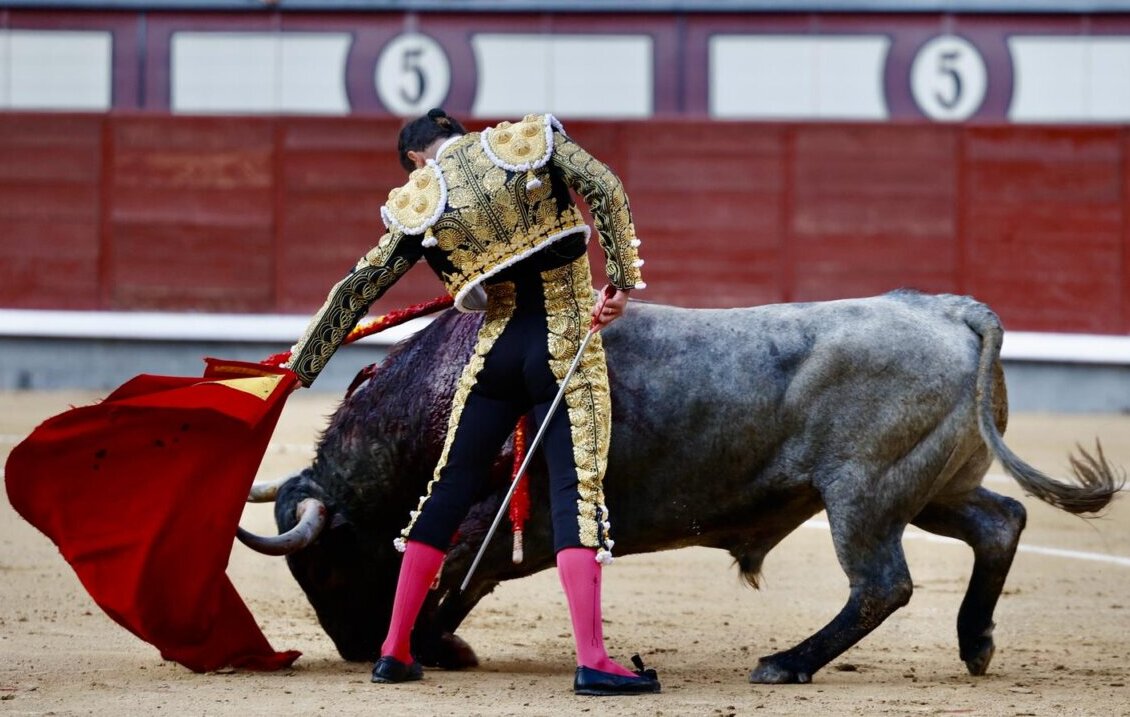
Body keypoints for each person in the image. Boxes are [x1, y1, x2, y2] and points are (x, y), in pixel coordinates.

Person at [285, 108, 657, 696]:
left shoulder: (422, 197)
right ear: (458, 132)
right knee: (575, 495)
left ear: (415, 156)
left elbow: (359, 285)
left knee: (448, 490)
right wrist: (621, 284)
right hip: (564, 341)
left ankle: (395, 650)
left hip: (495, 354)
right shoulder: (530, 140)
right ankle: (592, 662)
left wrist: (299, 366)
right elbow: (606, 189)